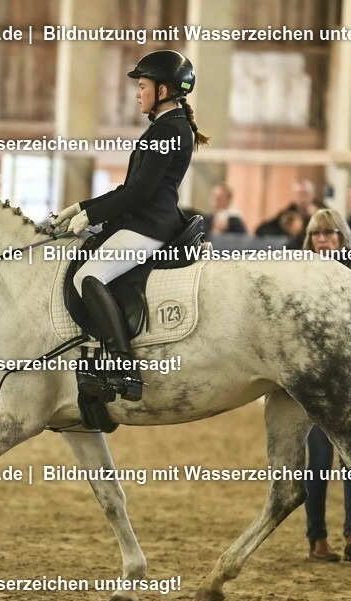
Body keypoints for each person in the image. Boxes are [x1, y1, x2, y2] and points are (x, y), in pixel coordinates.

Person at [51, 50, 209, 401]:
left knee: (87, 277)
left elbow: (140, 192)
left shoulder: (170, 130)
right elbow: (129, 189)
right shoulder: (165, 127)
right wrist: (80, 207)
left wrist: (91, 218)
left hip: (148, 227)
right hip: (143, 222)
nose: (137, 93)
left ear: (163, 91)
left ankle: (124, 366)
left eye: (142, 86)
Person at [300, 209, 351, 562]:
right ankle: (317, 538)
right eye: (317, 234)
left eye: (329, 233)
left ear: (342, 236)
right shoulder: (299, 274)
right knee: (318, 459)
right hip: (316, 383)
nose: (322, 239)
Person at [255, 179, 322, 237]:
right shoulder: (288, 212)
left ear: (312, 195)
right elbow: (261, 230)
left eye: (305, 194)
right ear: (293, 197)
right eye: (299, 194)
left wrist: (317, 216)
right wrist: (287, 229)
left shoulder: (322, 210)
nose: (302, 198)